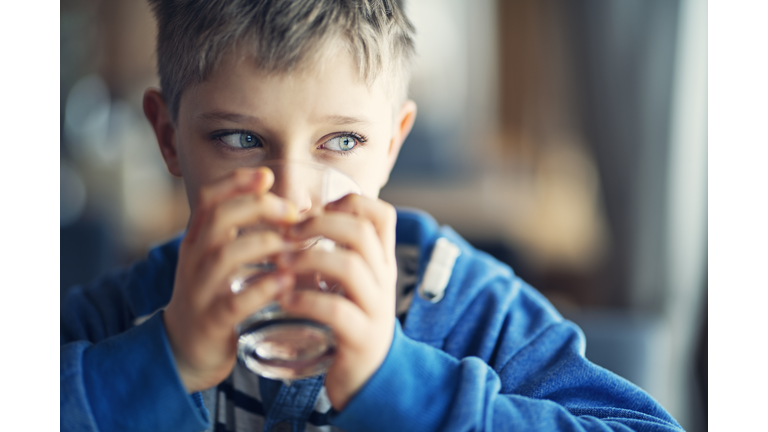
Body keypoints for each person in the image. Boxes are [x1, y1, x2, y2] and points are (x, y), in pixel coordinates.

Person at [60, 1, 683, 431]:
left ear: (392, 143)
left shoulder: (463, 307)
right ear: (168, 138)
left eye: (343, 142)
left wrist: (399, 381)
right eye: (240, 140)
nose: (293, 198)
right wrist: (165, 360)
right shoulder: (131, 308)